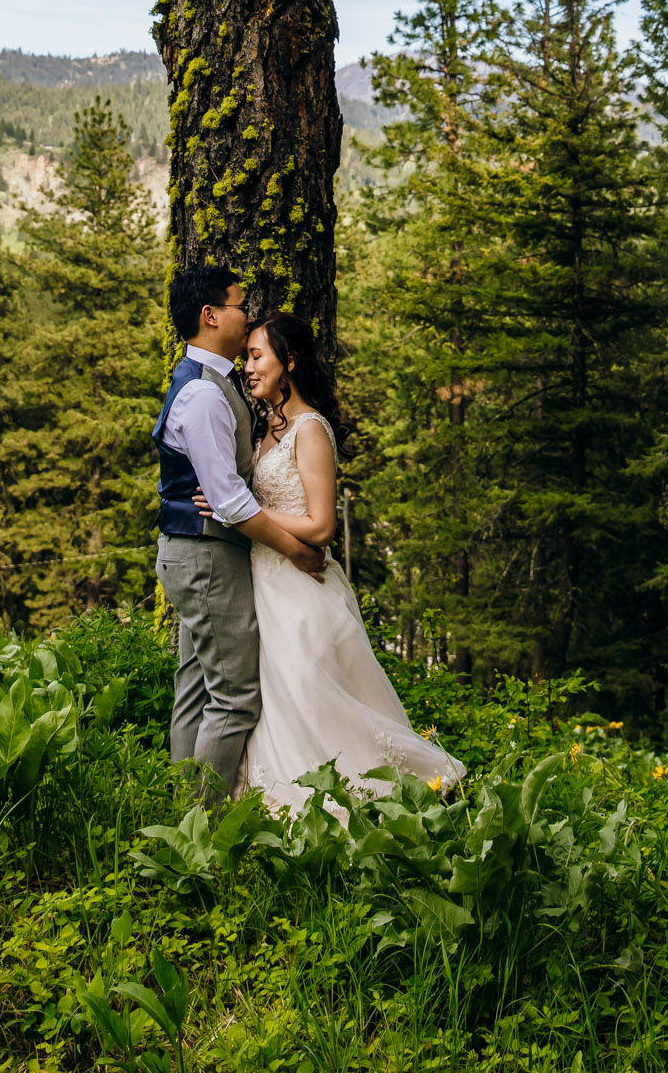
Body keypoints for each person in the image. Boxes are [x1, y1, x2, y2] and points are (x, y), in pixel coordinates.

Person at [198, 311, 467, 812]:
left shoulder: (311, 429)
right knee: (275, 703)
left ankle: (356, 800)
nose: (248, 366)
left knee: (308, 697)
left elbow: (321, 526)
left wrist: (240, 510)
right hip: (264, 581)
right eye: (248, 356)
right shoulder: (266, 431)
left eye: (258, 356)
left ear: (290, 362)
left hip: (301, 591)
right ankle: (278, 808)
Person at [152, 264, 327, 797]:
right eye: (239, 304)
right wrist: (297, 551)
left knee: (197, 686)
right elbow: (228, 501)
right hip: (206, 556)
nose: (246, 313)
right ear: (210, 316)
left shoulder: (211, 385)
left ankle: (181, 811)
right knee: (234, 696)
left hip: (194, 551)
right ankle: (197, 821)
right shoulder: (204, 394)